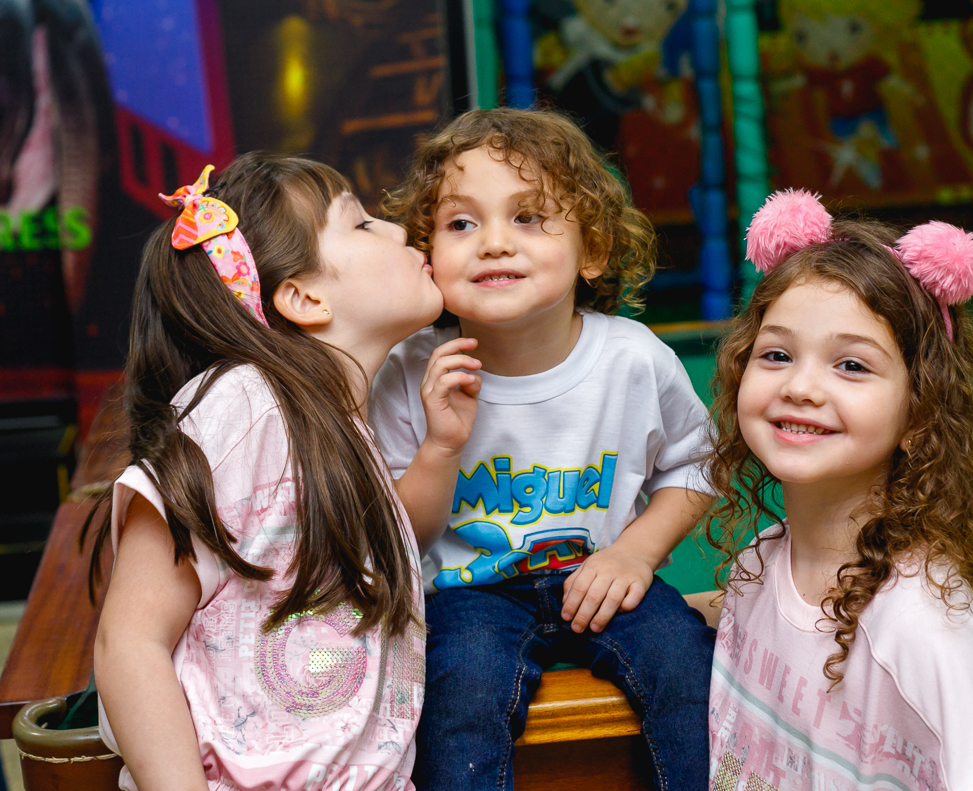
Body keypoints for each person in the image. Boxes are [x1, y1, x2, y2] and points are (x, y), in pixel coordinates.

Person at [85, 153, 480, 791]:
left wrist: (439, 449)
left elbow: (351, 562)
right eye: (361, 223)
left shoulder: (335, 422)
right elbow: (129, 641)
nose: (402, 231)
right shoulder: (246, 406)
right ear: (304, 297)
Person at [373, 107, 715, 791]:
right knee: (460, 691)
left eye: (529, 217)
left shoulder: (632, 360)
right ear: (427, 254)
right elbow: (393, 533)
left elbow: (697, 465)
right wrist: (442, 447)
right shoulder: (410, 370)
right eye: (462, 223)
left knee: (684, 656)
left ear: (591, 249)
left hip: (604, 575)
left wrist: (635, 551)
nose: (494, 242)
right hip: (470, 595)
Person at [703, 190, 973, 790]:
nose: (801, 386)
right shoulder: (758, 563)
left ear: (920, 413)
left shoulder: (917, 625)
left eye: (852, 365)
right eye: (776, 354)